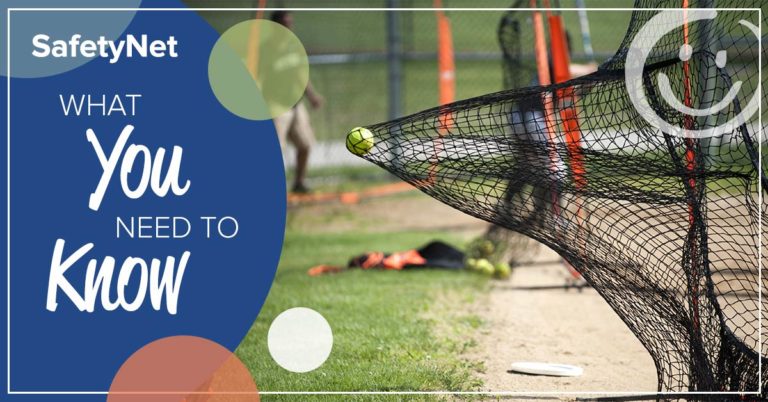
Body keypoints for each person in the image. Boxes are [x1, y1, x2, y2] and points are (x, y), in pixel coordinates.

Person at [269, 11, 324, 193]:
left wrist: (312, 96)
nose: (289, 27)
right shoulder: (265, 48)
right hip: (276, 106)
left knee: (306, 144)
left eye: (290, 23)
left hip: (296, 104)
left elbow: (301, 76)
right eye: (285, 23)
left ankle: (299, 182)